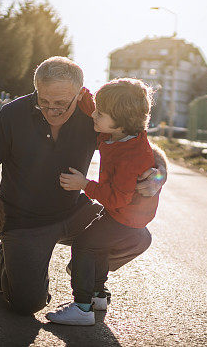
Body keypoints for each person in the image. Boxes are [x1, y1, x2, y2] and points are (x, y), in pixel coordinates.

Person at [0, 57, 167, 315]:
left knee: (136, 236)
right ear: (36, 90)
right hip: (23, 221)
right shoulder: (12, 115)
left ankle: (87, 272)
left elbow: (140, 149)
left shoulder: (94, 117)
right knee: (27, 304)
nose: (52, 110)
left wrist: (159, 174)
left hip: (75, 213)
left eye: (61, 103)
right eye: (44, 101)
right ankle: (6, 256)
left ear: (80, 95)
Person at [46, 78, 160, 326]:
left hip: (126, 216)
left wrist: (84, 184)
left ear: (120, 119)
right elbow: (90, 105)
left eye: (101, 113)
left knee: (85, 244)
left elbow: (117, 199)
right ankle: (98, 295)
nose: (94, 115)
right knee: (97, 246)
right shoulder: (117, 133)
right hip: (123, 214)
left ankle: (82, 306)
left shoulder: (133, 155)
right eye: (97, 109)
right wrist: (77, 89)